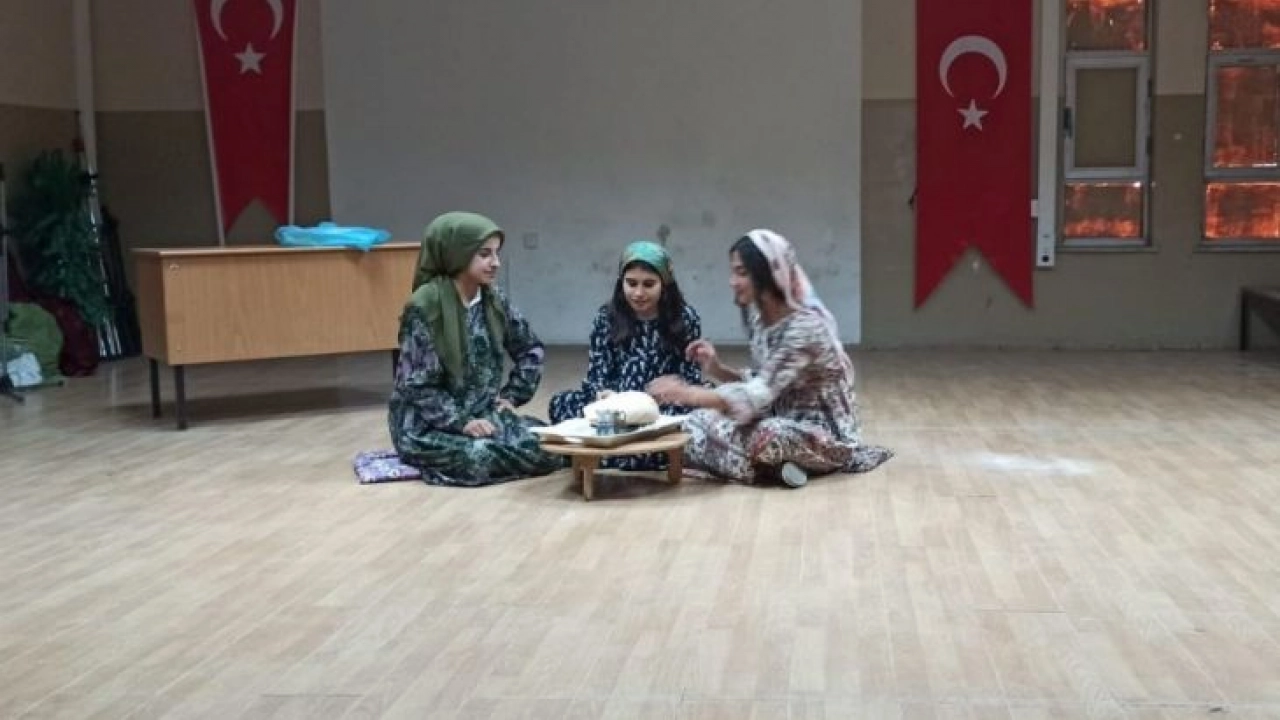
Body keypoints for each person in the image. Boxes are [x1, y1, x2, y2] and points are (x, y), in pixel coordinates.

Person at [649, 229, 892, 488]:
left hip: (821, 436)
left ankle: (763, 467)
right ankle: (776, 469)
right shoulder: (760, 319)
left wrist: (686, 393)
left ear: (767, 274)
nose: (732, 281)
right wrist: (716, 369)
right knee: (694, 423)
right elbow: (761, 382)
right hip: (775, 416)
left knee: (769, 435)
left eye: (741, 273)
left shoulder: (806, 328)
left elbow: (756, 395)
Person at [388, 211, 563, 486]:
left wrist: (512, 396)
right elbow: (417, 385)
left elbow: (530, 349)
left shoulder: (494, 300)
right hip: (428, 426)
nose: (495, 263)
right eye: (484, 254)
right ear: (456, 254)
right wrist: (462, 422)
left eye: (496, 253)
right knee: (478, 456)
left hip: (484, 415)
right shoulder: (425, 307)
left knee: (551, 443)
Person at [549, 240, 703, 470]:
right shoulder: (606, 318)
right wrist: (604, 394)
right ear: (621, 283)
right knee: (561, 403)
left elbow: (690, 376)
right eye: (631, 283)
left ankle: (607, 453)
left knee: (703, 412)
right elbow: (597, 371)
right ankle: (641, 452)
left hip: (662, 408)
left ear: (665, 285)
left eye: (648, 284)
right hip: (615, 406)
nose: (638, 293)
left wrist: (669, 391)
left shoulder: (686, 318)